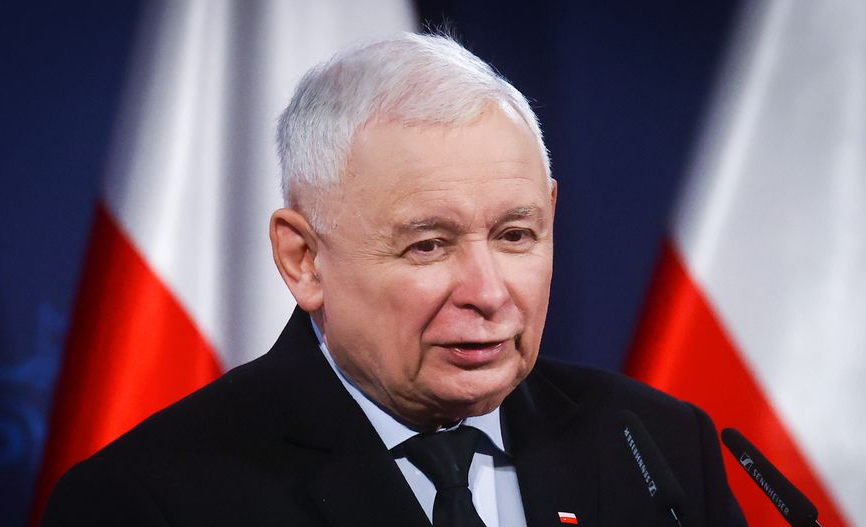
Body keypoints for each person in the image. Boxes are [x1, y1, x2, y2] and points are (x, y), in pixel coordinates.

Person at [43, 33, 747, 527]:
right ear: (304, 259)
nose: (488, 291)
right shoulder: (151, 501)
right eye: (429, 245)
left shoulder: (657, 448)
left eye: (514, 235)